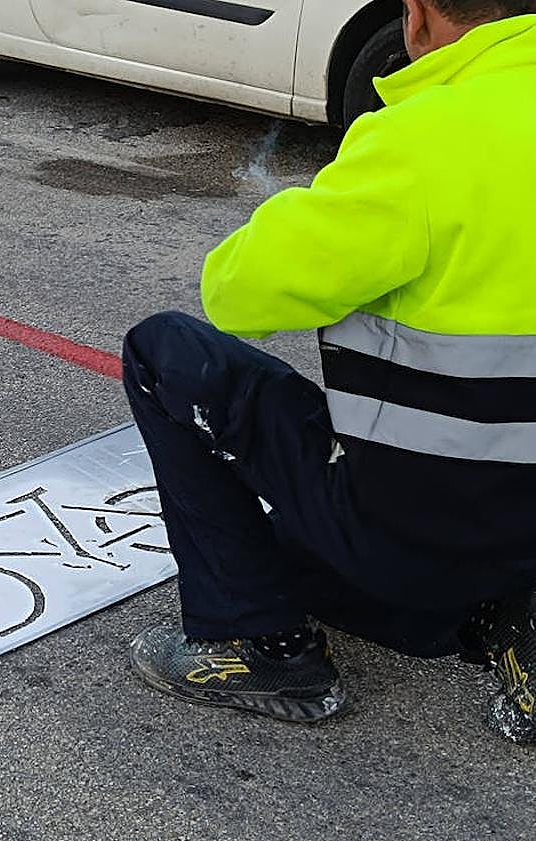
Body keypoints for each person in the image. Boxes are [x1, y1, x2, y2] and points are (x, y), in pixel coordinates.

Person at [122, 0, 536, 743]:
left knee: (165, 353)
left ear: (416, 19)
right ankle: (501, 610)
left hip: (420, 528)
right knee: (301, 560)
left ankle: (260, 647)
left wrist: (329, 196)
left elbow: (235, 291)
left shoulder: (420, 139)